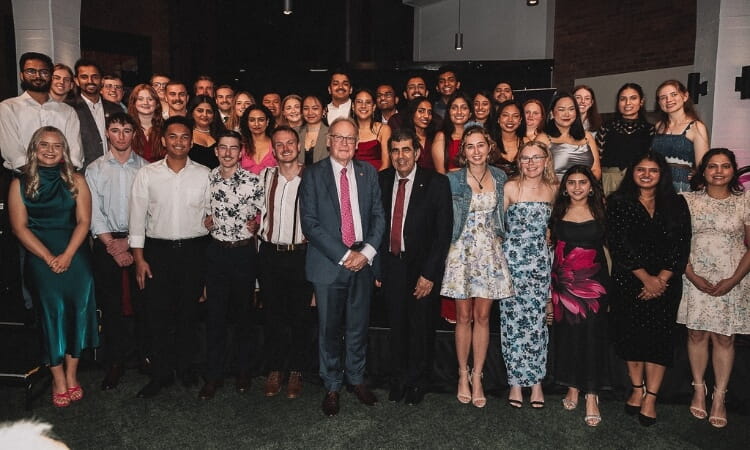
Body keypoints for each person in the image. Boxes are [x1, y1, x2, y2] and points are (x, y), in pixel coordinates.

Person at [299, 117, 385, 417]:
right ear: (328, 140)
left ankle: (357, 379)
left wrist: (368, 253)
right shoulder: (312, 175)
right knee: (329, 330)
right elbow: (309, 224)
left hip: (364, 262)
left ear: (357, 144)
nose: (345, 144)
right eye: (339, 138)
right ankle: (332, 384)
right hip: (329, 264)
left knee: (359, 327)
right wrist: (344, 254)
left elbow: (378, 216)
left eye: (351, 139)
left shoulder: (368, 173)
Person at [8, 126, 98, 407]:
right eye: (44, 145)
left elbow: (84, 221)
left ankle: (72, 375)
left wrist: (69, 255)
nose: (50, 150)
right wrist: (49, 258)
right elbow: (19, 228)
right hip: (39, 255)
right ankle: (57, 379)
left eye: (56, 145)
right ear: (34, 148)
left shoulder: (77, 180)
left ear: (64, 151)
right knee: (51, 314)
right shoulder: (19, 183)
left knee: (77, 312)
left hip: (75, 253)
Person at [606, 150, 691, 426]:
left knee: (658, 340)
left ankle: (651, 397)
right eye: (640, 169)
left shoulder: (677, 203)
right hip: (629, 281)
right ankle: (636, 388)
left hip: (666, 284)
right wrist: (646, 279)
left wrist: (661, 280)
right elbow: (617, 244)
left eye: (652, 170)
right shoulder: (618, 202)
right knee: (632, 339)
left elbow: (681, 244)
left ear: (661, 174)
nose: (646, 174)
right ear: (632, 172)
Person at [129, 116, 211, 398]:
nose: (179, 142)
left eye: (185, 137)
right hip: (157, 252)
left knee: (189, 314)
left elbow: (212, 217)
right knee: (158, 316)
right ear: (163, 140)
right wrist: (139, 259)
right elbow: (136, 219)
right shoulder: (147, 174)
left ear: (191, 140)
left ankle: (187, 368)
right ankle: (160, 374)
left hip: (194, 250)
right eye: (173, 136)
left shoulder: (204, 174)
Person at [376, 128, 452, 406]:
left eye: (406, 149)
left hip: (422, 268)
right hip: (391, 265)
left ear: (418, 153)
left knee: (421, 328)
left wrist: (430, 274)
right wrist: (377, 269)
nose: (400, 156)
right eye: (395, 150)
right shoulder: (381, 180)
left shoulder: (437, 183)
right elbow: (376, 226)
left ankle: (419, 381)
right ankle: (399, 380)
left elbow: (443, 233)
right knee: (396, 327)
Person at [440, 126, 514, 408]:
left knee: (483, 317)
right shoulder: (453, 179)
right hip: (461, 251)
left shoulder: (500, 176)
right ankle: (462, 375)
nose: (476, 151)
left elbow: (505, 214)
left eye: (480, 145)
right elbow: (445, 218)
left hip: (489, 253)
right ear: (463, 152)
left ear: (489, 147)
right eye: (469, 146)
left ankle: (478, 376)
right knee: (463, 316)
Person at [679, 148, 750, 428]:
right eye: (712, 166)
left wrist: (733, 280)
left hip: (732, 276)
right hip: (694, 274)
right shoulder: (687, 200)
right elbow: (677, 243)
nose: (718, 171)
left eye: (724, 166)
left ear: (733, 170)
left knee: (724, 337)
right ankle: (699, 388)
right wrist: (692, 275)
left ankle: (720, 396)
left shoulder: (744, 201)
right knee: (696, 333)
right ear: (702, 171)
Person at [85, 112, 149, 391]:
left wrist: (131, 243)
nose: (121, 136)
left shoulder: (146, 168)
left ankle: (144, 356)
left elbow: (150, 211)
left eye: (126, 130)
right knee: (110, 305)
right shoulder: (95, 169)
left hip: (139, 243)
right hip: (106, 243)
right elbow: (93, 212)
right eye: (115, 130)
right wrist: (113, 245)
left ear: (134, 134)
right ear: (107, 134)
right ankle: (114, 362)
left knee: (144, 302)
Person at [199, 129, 263, 400]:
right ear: (216, 151)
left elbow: (266, 216)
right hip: (216, 254)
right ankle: (213, 376)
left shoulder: (254, 180)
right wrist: (204, 220)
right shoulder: (206, 178)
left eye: (233, 148)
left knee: (243, 317)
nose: (227, 153)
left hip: (243, 254)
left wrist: (256, 224)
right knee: (215, 318)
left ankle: (243, 371)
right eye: (222, 148)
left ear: (241, 152)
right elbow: (199, 210)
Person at [549, 165, 610, 427]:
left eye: (582, 182)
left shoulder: (602, 210)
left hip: (594, 285)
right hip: (564, 284)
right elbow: (551, 248)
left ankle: (592, 394)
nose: (576, 187)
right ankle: (572, 386)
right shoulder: (558, 212)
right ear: (564, 187)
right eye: (571, 182)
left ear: (590, 186)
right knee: (569, 336)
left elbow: (612, 249)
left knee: (593, 337)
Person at [258, 126, 313, 399]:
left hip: (301, 255)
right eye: (279, 144)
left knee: (300, 317)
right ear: (273, 149)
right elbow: (249, 209)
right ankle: (275, 369)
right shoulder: (264, 176)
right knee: (273, 316)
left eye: (290, 143)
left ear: (299, 145)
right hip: (269, 254)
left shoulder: (312, 177)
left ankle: (296, 371)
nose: (285, 148)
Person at [501, 140, 556, 410]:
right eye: (525, 158)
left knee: (536, 324)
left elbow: (559, 228)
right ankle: (514, 382)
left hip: (541, 264)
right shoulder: (510, 187)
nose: (531, 163)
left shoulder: (554, 189)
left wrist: (551, 236)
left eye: (536, 158)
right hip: (512, 263)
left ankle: (536, 383)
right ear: (519, 161)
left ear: (546, 160)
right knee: (511, 323)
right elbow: (498, 227)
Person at [0, 52, 82, 171]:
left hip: (62, 178)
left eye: (44, 72)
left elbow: (75, 152)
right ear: (21, 75)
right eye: (31, 71)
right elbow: (13, 153)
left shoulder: (67, 111)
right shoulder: (8, 108)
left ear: (50, 76)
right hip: (24, 178)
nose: (37, 76)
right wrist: (40, 178)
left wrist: (59, 178)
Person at [651, 79, 710, 193]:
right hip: (657, 183)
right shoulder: (659, 126)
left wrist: (697, 176)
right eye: (663, 97)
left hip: (682, 186)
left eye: (674, 94)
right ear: (659, 103)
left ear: (685, 96)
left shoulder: (696, 127)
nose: (669, 100)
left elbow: (702, 166)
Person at [597, 83, 654, 196]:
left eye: (633, 98)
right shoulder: (606, 127)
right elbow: (596, 161)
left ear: (641, 102)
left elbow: (652, 161)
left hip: (638, 183)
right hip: (609, 183)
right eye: (623, 99)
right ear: (618, 103)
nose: (628, 103)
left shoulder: (650, 130)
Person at [66, 59, 122, 167]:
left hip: (113, 169)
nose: (90, 81)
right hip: (82, 172)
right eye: (84, 77)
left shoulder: (115, 109)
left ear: (101, 81)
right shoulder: (69, 108)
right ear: (76, 81)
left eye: (95, 77)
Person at [545, 92, 601, 180]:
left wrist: (583, 187)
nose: (567, 114)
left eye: (571, 109)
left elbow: (596, 170)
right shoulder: (544, 138)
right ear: (552, 113)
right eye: (561, 109)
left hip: (584, 191)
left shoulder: (587, 136)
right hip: (554, 191)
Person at [432, 93, 473, 174]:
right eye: (454, 108)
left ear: (470, 114)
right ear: (448, 112)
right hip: (451, 184)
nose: (459, 112)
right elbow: (441, 173)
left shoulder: (475, 135)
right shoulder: (441, 136)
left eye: (464, 108)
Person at [352, 89, 391, 170]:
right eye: (359, 102)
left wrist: (373, 182)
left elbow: (386, 164)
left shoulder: (383, 130)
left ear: (374, 107)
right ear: (353, 106)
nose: (363, 106)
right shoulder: (346, 130)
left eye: (368, 102)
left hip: (379, 179)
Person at [127, 84, 164, 162]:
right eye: (140, 99)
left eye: (150, 99)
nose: (145, 102)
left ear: (157, 103)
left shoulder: (166, 128)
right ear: (133, 103)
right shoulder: (127, 128)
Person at [489, 100, 526, 177]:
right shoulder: (488, 143)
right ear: (498, 119)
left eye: (515, 116)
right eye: (505, 115)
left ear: (520, 120)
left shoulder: (527, 143)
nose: (510, 120)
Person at [187, 95, 223, 168]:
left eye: (209, 112)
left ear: (214, 115)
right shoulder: (186, 135)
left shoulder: (222, 135)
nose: (204, 115)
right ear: (192, 112)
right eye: (200, 111)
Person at [239, 104, 277, 174]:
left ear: (267, 121)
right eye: (252, 120)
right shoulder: (241, 145)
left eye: (261, 120)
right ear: (247, 122)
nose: (256, 124)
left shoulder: (276, 144)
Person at [402, 97, 438, 170]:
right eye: (421, 111)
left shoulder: (436, 137)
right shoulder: (403, 137)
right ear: (412, 113)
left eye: (429, 112)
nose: (426, 116)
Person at [298, 95, 329, 165]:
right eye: (306, 108)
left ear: (324, 111)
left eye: (315, 108)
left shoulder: (332, 133)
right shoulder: (294, 133)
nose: (310, 113)